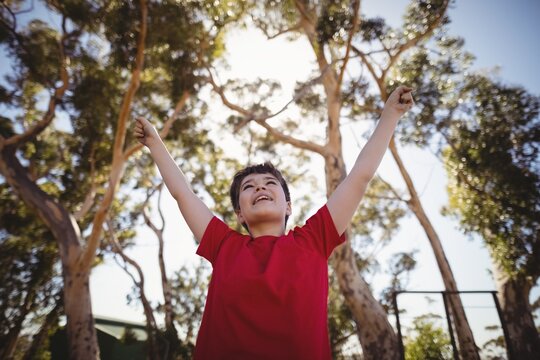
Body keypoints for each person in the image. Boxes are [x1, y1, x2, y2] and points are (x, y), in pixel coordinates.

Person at [134, 85, 414, 359]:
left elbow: (359, 178)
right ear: (239, 214)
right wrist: (155, 143)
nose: (259, 188)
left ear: (288, 206)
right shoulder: (223, 245)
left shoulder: (314, 239)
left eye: (270, 183)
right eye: (248, 187)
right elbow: (182, 193)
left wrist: (390, 115)